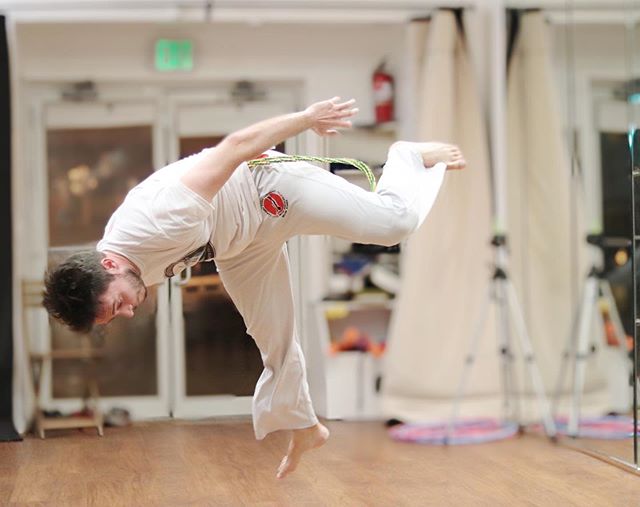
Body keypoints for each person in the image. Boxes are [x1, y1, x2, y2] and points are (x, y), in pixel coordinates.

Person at [43, 97, 466, 479]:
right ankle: (305, 427)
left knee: (393, 225)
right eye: (115, 316)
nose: (128, 313)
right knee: (273, 339)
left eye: (116, 305)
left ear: (110, 263)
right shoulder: (118, 264)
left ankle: (406, 156)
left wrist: (305, 119)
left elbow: (235, 146)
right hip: (237, 244)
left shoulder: (160, 216)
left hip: (267, 189)